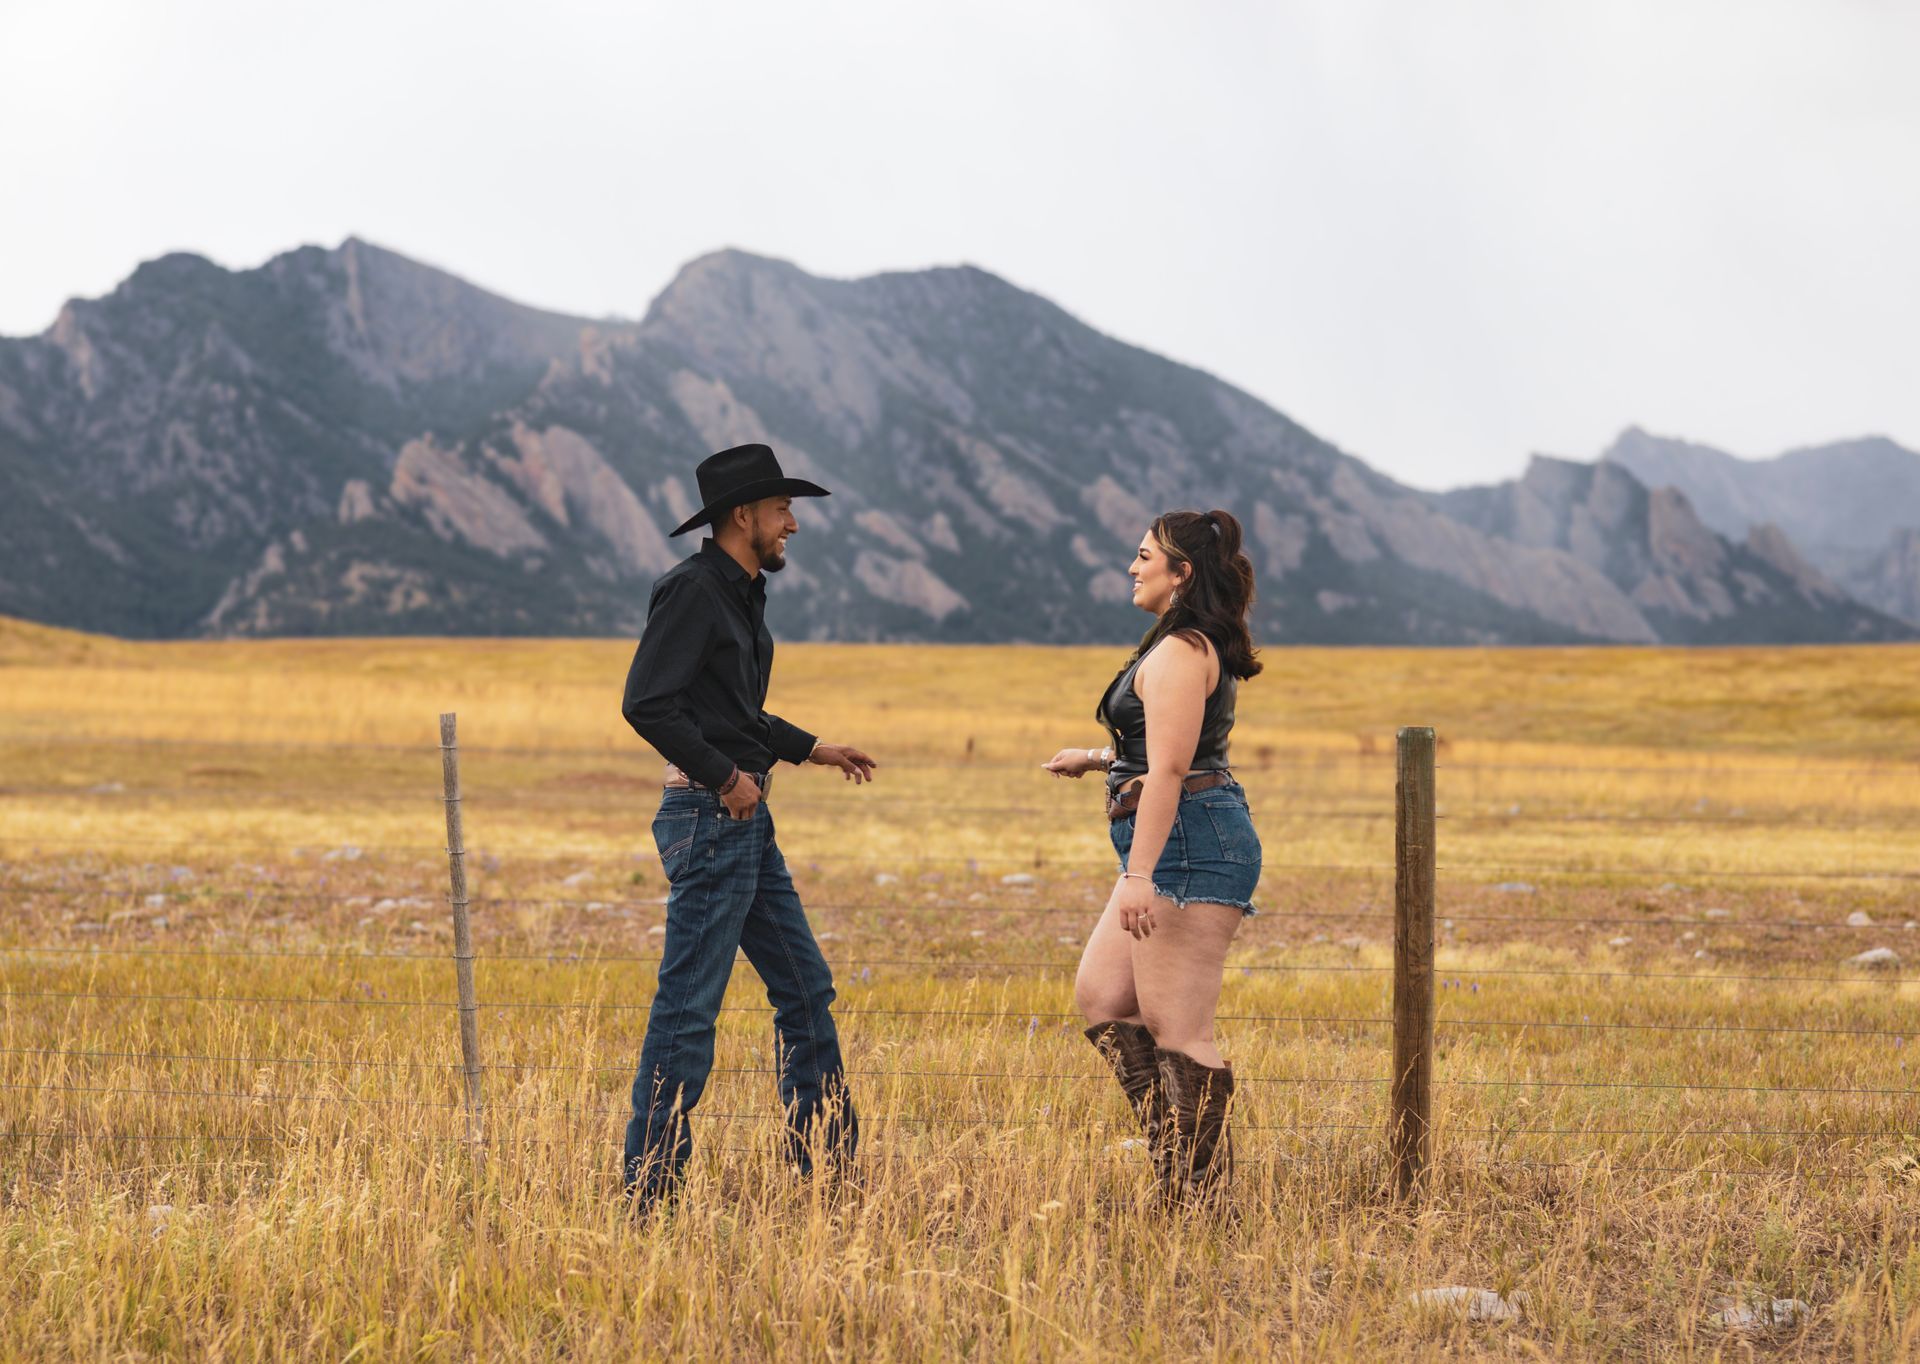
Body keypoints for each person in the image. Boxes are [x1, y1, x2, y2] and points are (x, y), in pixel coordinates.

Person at [620, 442, 878, 1210]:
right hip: (711, 816)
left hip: (743, 820)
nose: (792, 524)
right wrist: (726, 777)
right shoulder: (693, 591)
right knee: (688, 1010)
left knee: (805, 988)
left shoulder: (740, 593)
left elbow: (732, 712)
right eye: (782, 509)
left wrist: (812, 748)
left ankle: (828, 1171)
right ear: (744, 516)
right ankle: (648, 1195)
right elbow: (647, 704)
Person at [1043, 509, 1263, 1205]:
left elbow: (1169, 770)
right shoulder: (1175, 644)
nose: (1132, 567)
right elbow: (1163, 744)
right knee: (1104, 997)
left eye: (1145, 556)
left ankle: (1198, 1199)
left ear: (1181, 573)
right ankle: (1177, 1159)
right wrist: (1098, 758)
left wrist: (1139, 874)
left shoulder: (1181, 652)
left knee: (1178, 1027)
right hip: (1176, 837)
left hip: (1189, 844)